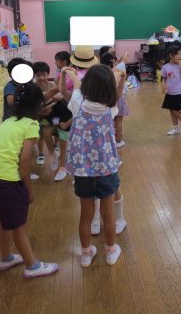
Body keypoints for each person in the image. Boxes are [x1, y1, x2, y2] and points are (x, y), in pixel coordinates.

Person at [0, 82, 59, 278]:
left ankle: (6, 258)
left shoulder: (8, 121)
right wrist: (28, 189)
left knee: (4, 220)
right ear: (38, 105)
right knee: (18, 225)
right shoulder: (31, 125)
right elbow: (25, 159)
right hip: (5, 179)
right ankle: (33, 266)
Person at [61, 65, 127, 267]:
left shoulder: (78, 102)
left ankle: (86, 254)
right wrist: (121, 78)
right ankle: (110, 251)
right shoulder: (110, 108)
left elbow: (76, 87)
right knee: (108, 214)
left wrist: (67, 73)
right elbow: (117, 93)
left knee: (85, 216)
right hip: (106, 169)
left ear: (86, 85)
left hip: (83, 171)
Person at [33, 61, 60, 168]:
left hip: (54, 114)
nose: (41, 78)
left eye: (44, 75)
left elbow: (58, 96)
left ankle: (55, 145)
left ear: (48, 74)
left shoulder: (52, 85)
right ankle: (41, 153)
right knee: (42, 134)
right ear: (34, 76)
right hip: (41, 116)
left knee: (56, 131)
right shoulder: (34, 87)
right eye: (38, 75)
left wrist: (56, 98)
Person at [100, 52, 130, 149]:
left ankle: (108, 140)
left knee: (109, 120)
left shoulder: (100, 72)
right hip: (118, 97)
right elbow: (124, 60)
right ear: (112, 61)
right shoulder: (118, 70)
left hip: (105, 98)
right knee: (119, 120)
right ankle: (117, 141)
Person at [161, 45, 181, 136]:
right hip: (170, 92)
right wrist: (163, 85)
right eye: (177, 54)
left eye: (180, 54)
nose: (180, 56)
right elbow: (164, 78)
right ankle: (176, 128)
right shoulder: (165, 66)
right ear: (171, 55)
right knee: (171, 110)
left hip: (180, 92)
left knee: (175, 110)